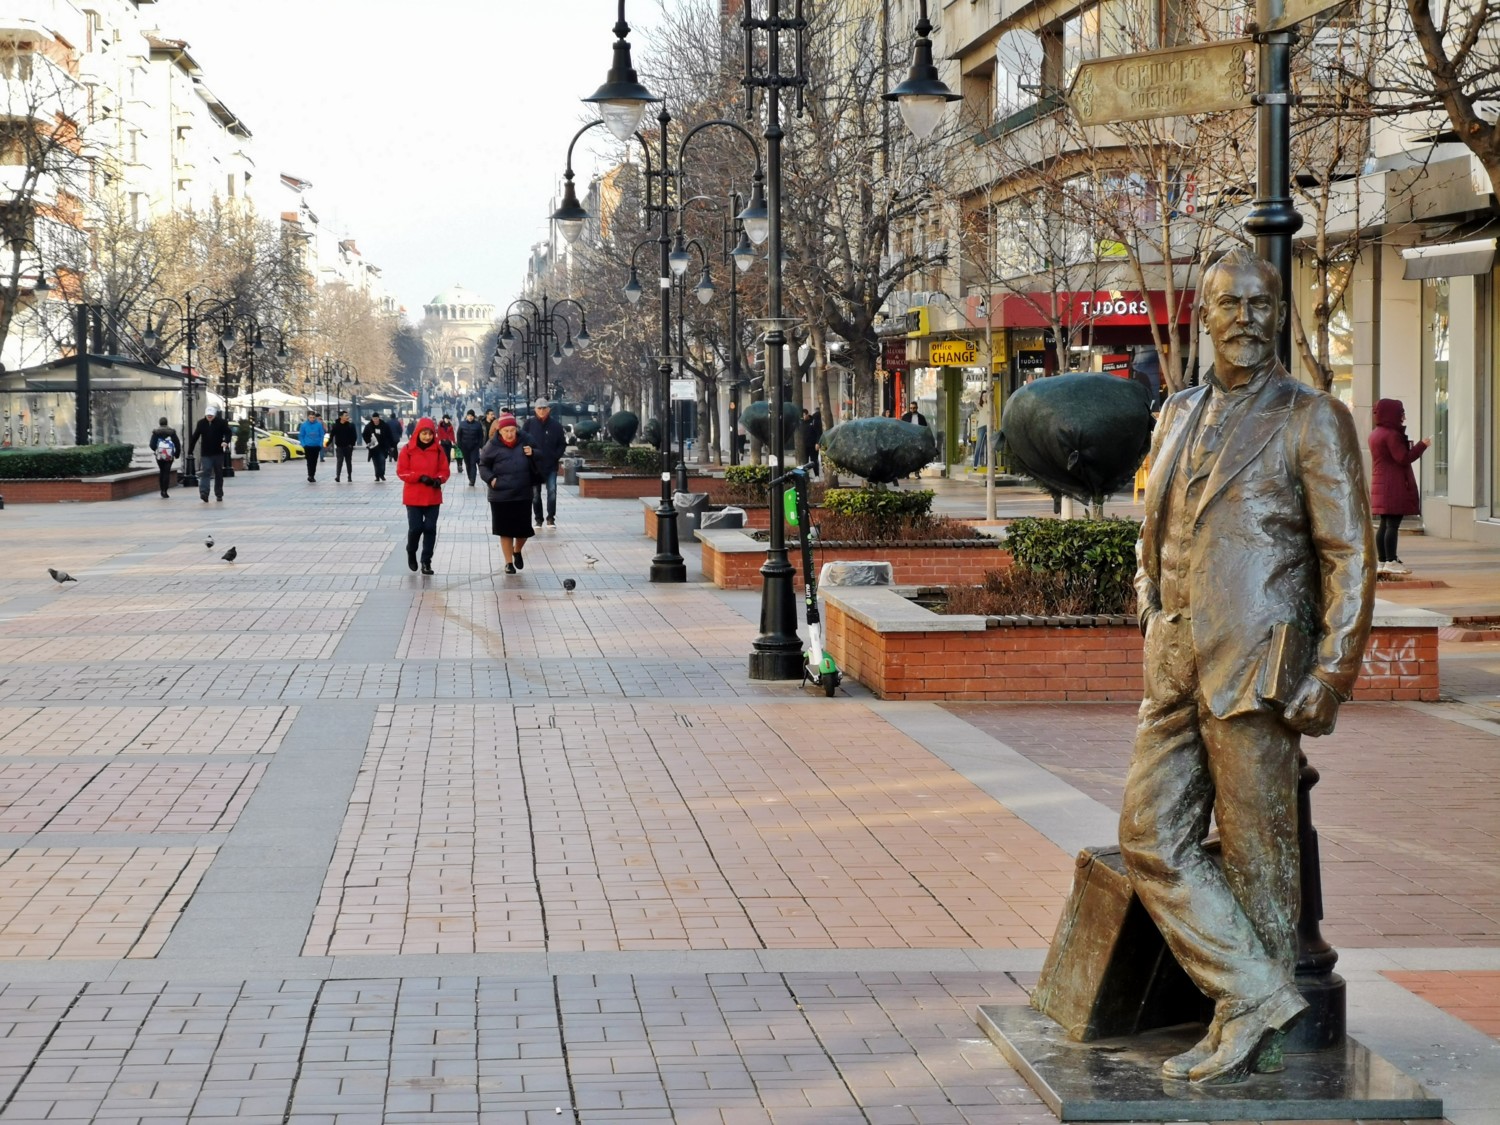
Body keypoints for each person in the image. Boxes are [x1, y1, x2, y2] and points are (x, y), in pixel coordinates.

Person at [1119, 248, 1373, 1084]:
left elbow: (1351, 556)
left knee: (1262, 860)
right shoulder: (1177, 410)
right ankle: (1258, 992)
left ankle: (1253, 1027)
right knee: (1151, 837)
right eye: (1233, 304)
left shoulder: (1312, 418)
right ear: (1204, 314)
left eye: (1265, 305)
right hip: (1175, 659)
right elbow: (1152, 523)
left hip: (1259, 667)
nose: (1250, 319)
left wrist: (1330, 673)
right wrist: (1152, 604)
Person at [1369, 398, 1429, 576]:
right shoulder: (1391, 435)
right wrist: (1421, 446)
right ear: (1392, 414)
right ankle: (1391, 560)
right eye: (1400, 413)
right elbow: (1403, 458)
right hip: (1393, 484)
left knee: (1384, 524)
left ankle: (1382, 560)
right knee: (1392, 525)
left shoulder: (1376, 433)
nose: (1403, 416)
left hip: (1381, 483)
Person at [478, 414, 537, 574]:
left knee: (524, 531)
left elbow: (540, 456)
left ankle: (517, 550)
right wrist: (492, 480)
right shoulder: (492, 446)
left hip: (523, 492)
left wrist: (533, 453)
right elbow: (483, 465)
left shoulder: (525, 442)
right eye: (506, 431)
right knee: (505, 530)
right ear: (500, 431)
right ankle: (508, 563)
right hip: (500, 495)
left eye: (512, 430)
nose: (510, 434)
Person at [395, 417, 450, 575]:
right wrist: (419, 476)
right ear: (418, 433)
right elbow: (402, 471)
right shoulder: (408, 450)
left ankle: (426, 560)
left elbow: (444, 470)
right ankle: (411, 550)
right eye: (424, 433)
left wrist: (439, 480)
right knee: (416, 528)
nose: (427, 437)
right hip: (414, 496)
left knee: (430, 528)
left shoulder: (438, 450)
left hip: (432, 496)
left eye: (430, 434)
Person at [521, 398, 567, 527]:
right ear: (535, 409)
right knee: (535, 494)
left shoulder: (556, 426)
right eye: (539, 408)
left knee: (552, 491)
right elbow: (522, 441)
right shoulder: (529, 424)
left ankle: (550, 517)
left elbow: (562, 444)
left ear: (548, 410)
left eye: (544, 408)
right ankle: (538, 518)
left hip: (550, 465)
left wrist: (555, 456)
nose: (541, 411)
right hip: (534, 465)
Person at [189, 405, 231, 503]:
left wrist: (226, 441)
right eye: (208, 415)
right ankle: (204, 493)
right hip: (206, 453)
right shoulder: (201, 423)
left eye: (211, 415)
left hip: (218, 452)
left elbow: (228, 433)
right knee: (206, 471)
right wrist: (190, 450)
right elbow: (195, 437)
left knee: (218, 473)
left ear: (215, 415)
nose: (209, 417)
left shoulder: (221, 423)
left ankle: (219, 493)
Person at [148, 416, 181, 498]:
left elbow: (152, 445)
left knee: (162, 471)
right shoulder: (172, 432)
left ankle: (161, 490)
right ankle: (165, 491)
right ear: (167, 423)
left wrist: (157, 450)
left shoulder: (156, 432)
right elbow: (177, 444)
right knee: (167, 472)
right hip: (169, 456)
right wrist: (177, 454)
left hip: (159, 456)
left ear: (160, 423)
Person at [456, 409, 486, 486]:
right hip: (464, 447)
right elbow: (459, 435)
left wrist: (480, 445)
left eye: (471, 416)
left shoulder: (477, 424)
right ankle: (470, 477)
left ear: (473, 416)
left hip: (474, 447)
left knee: (473, 463)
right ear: (467, 416)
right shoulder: (462, 424)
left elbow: (481, 436)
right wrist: (459, 444)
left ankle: (472, 480)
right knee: (467, 463)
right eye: (469, 416)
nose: (470, 417)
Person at [363, 410, 396, 481]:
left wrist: (392, 445)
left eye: (376, 418)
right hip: (373, 447)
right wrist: (368, 442)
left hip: (382, 446)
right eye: (374, 419)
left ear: (378, 418)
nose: (375, 420)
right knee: (375, 462)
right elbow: (364, 435)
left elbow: (390, 435)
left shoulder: (384, 425)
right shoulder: (369, 426)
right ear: (372, 419)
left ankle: (382, 474)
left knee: (382, 460)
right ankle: (377, 476)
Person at [298, 410, 326, 482]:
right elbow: (301, 435)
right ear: (308, 417)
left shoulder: (319, 425)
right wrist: (304, 444)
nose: (312, 419)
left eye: (313, 417)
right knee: (309, 461)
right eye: (310, 417)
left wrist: (320, 444)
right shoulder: (304, 425)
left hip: (316, 446)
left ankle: (312, 475)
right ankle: (310, 475)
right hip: (308, 446)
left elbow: (321, 435)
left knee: (314, 461)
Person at [330, 410, 358, 482]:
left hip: (348, 447)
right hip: (339, 447)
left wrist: (351, 445)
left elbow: (354, 436)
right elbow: (332, 435)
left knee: (348, 462)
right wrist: (327, 443)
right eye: (346, 416)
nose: (347, 417)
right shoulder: (336, 426)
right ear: (341, 417)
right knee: (339, 461)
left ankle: (349, 476)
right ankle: (338, 476)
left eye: (347, 415)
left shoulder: (351, 425)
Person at [799, 408, 823, 474]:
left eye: (804, 415)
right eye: (802, 416)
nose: (803, 417)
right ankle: (806, 475)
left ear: (807, 414)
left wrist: (817, 443)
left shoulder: (813, 421)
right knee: (805, 461)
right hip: (804, 446)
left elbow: (818, 433)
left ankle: (817, 475)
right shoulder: (800, 422)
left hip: (813, 445)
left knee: (814, 460)